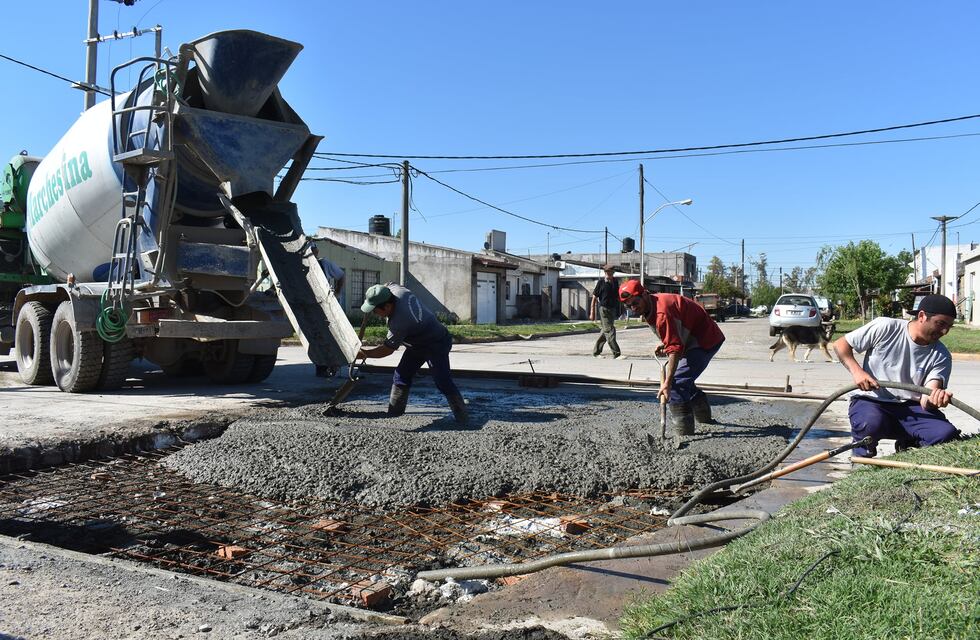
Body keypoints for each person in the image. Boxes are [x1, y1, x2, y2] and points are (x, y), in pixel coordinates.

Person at [834, 294, 960, 458]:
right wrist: (858, 372)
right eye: (940, 324)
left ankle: (908, 445)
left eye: (949, 326)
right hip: (873, 401)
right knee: (869, 424)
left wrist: (935, 398)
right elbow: (841, 344)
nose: (944, 331)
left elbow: (926, 397)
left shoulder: (942, 355)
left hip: (912, 407)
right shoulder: (886, 327)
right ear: (921, 316)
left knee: (945, 434)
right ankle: (862, 458)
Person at [618, 279, 725, 436]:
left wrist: (667, 383)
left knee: (676, 385)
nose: (633, 307)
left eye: (635, 302)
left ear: (645, 294)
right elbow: (674, 334)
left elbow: (674, 349)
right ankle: (704, 418)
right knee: (683, 381)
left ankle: (684, 433)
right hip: (693, 338)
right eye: (628, 305)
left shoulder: (661, 312)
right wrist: (666, 344)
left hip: (704, 340)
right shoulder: (651, 306)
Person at [356, 283, 468, 426]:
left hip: (436, 344)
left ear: (387, 307)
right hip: (416, 344)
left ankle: (463, 417)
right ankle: (394, 412)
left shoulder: (400, 321)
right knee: (401, 375)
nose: (374, 314)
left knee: (443, 382)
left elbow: (387, 350)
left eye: (375, 310)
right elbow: (389, 284)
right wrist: (374, 295)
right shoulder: (396, 290)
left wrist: (364, 353)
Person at [590, 265, 624, 359]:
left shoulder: (615, 282)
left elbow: (618, 296)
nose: (609, 275)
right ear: (605, 273)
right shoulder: (601, 282)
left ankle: (596, 352)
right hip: (603, 309)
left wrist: (622, 307)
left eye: (611, 273)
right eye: (607, 273)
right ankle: (617, 353)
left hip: (612, 309)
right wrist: (592, 311)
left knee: (605, 331)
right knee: (610, 330)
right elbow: (594, 297)